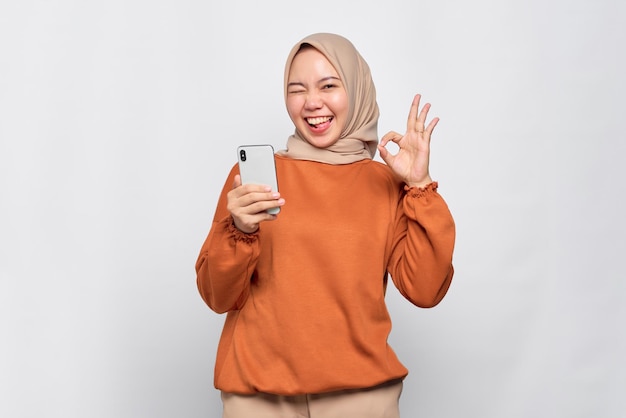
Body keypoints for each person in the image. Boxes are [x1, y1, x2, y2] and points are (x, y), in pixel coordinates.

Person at [195, 32, 455, 418]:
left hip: (361, 396)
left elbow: (426, 290)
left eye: (329, 85)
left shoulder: (385, 183)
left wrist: (419, 185)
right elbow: (216, 296)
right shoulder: (251, 182)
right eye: (296, 89)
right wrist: (240, 230)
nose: (312, 102)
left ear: (356, 88)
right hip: (258, 396)